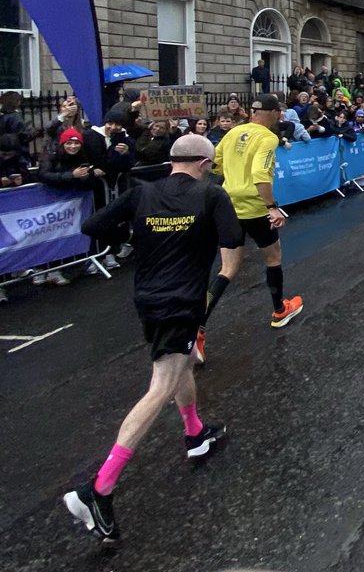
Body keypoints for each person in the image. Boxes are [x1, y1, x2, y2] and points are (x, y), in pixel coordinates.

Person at [63, 135, 240, 547]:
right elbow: (232, 242)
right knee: (161, 384)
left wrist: (135, 237)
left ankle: (195, 434)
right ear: (203, 163)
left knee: (181, 364)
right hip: (183, 301)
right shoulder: (211, 195)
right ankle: (99, 489)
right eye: (211, 165)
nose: (212, 170)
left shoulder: (142, 194)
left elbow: (92, 225)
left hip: (148, 298)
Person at [196, 94, 303, 365]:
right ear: (265, 113)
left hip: (228, 205)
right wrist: (272, 207)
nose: (280, 116)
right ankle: (279, 310)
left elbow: (214, 164)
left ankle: (197, 329)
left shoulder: (232, 133)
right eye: (277, 112)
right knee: (273, 256)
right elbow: (260, 175)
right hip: (254, 207)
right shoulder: (268, 138)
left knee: (227, 269)